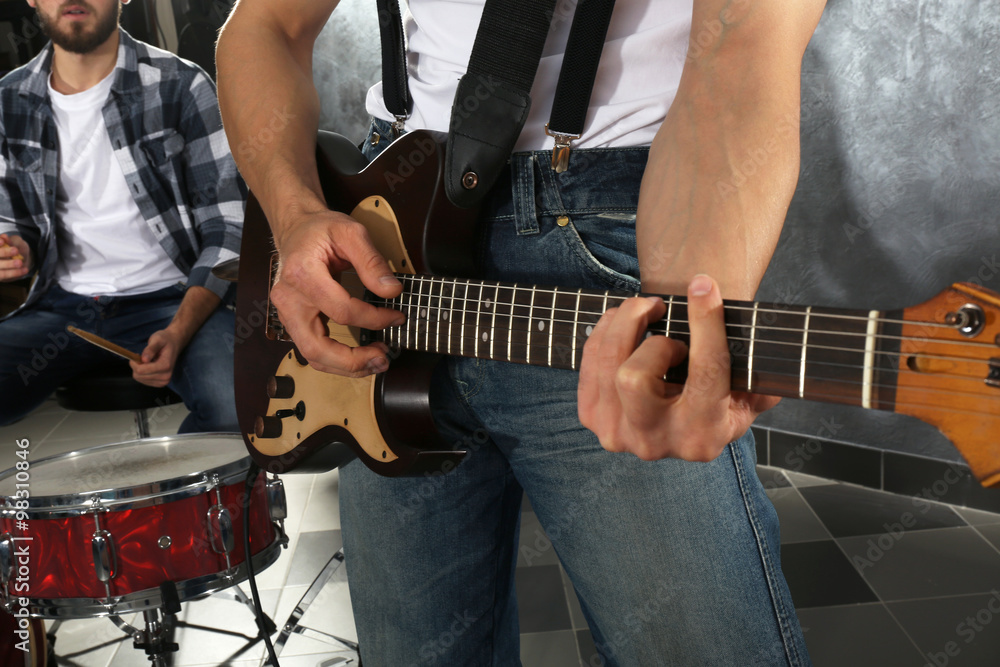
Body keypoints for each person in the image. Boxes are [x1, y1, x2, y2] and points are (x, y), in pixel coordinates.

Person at [217, 0, 826, 664]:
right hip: (385, 227)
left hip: (612, 240)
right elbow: (264, 26)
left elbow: (740, 45)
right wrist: (294, 212)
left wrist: (687, 308)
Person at [0, 0, 245, 432]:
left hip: (175, 298)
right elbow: (14, 222)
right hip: (61, 308)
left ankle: (179, 503)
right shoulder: (9, 99)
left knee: (235, 404)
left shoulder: (180, 84)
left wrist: (180, 330)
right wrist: (15, 248)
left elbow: (229, 228)